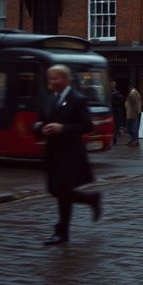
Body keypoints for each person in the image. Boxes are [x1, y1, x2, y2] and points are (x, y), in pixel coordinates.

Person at [33, 65, 101, 245]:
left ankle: (62, 232)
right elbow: (39, 121)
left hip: (69, 153)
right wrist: (41, 128)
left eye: (54, 78)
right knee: (54, 190)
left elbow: (87, 126)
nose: (51, 82)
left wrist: (63, 128)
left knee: (62, 192)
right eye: (49, 78)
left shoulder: (77, 99)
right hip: (52, 152)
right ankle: (90, 199)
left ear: (65, 79)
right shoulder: (49, 98)